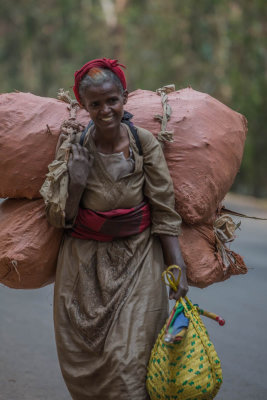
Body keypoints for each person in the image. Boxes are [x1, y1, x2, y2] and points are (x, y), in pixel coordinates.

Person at [44, 58, 188, 400]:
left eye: (112, 100)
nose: (105, 110)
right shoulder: (73, 147)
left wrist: (177, 265)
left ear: (124, 98)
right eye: (95, 104)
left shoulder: (144, 143)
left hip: (138, 262)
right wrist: (76, 182)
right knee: (85, 363)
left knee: (130, 364)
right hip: (83, 267)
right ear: (84, 106)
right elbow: (58, 219)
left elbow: (164, 209)